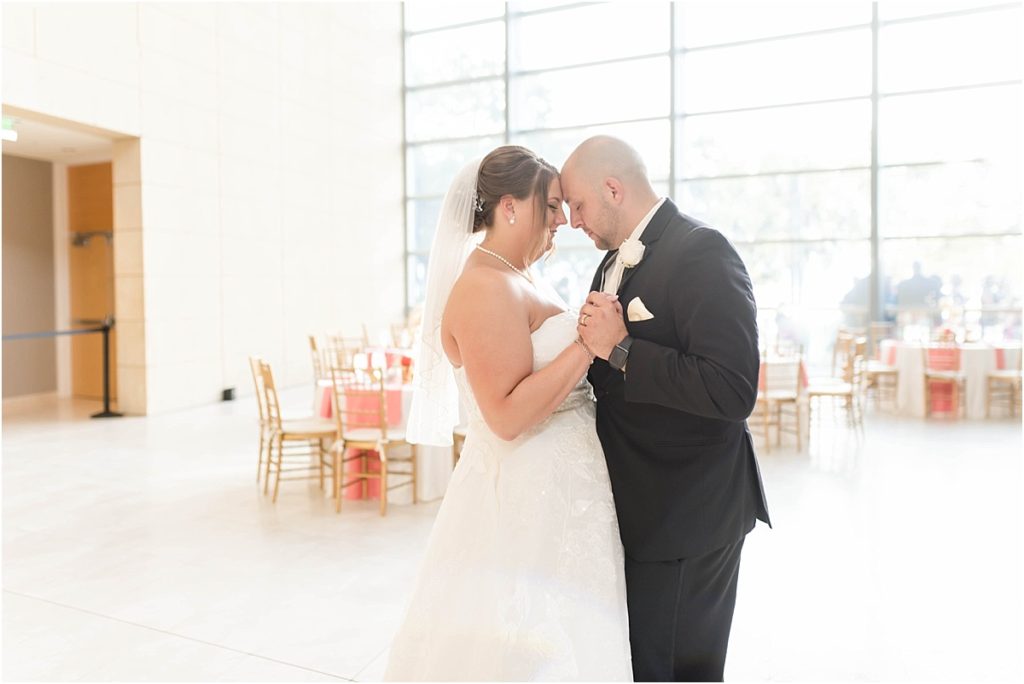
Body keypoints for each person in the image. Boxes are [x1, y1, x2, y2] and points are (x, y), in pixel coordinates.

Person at [384, 146, 632, 681]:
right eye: (551, 206)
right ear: (509, 207)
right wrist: (587, 346)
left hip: (561, 491)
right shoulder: (483, 287)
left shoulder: (517, 274)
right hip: (527, 494)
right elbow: (505, 414)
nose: (563, 220)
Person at [562, 136, 771, 682]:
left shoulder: (702, 249)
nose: (571, 221)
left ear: (613, 189)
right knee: (646, 665)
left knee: (679, 670)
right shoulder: (610, 261)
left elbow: (732, 388)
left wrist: (624, 349)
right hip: (641, 510)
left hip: (690, 514)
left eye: (578, 205)